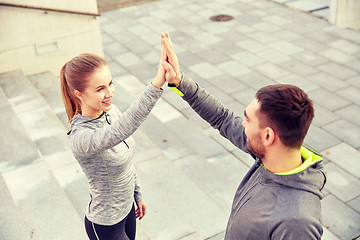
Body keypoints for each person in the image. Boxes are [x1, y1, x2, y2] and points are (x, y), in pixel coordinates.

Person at [160, 32, 327, 240]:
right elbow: (222, 118)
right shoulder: (271, 156)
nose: (242, 124)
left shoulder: (297, 222)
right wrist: (179, 81)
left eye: (248, 120)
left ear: (268, 136)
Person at [60, 47, 167, 240]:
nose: (110, 93)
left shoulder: (111, 111)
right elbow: (120, 130)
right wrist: (157, 83)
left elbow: (126, 162)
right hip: (105, 224)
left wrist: (137, 195)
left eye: (110, 83)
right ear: (79, 94)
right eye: (100, 89)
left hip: (127, 211)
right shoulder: (81, 137)